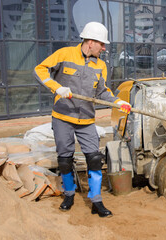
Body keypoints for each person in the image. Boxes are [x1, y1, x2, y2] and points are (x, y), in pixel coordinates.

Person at [33, 22, 131, 218]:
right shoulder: (64, 54)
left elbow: (102, 91)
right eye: (102, 44)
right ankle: (69, 195)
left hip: (86, 119)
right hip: (62, 117)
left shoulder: (101, 65)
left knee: (94, 159)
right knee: (65, 160)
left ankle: (96, 200)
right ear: (91, 42)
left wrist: (118, 101)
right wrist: (56, 87)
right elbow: (39, 69)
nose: (104, 48)